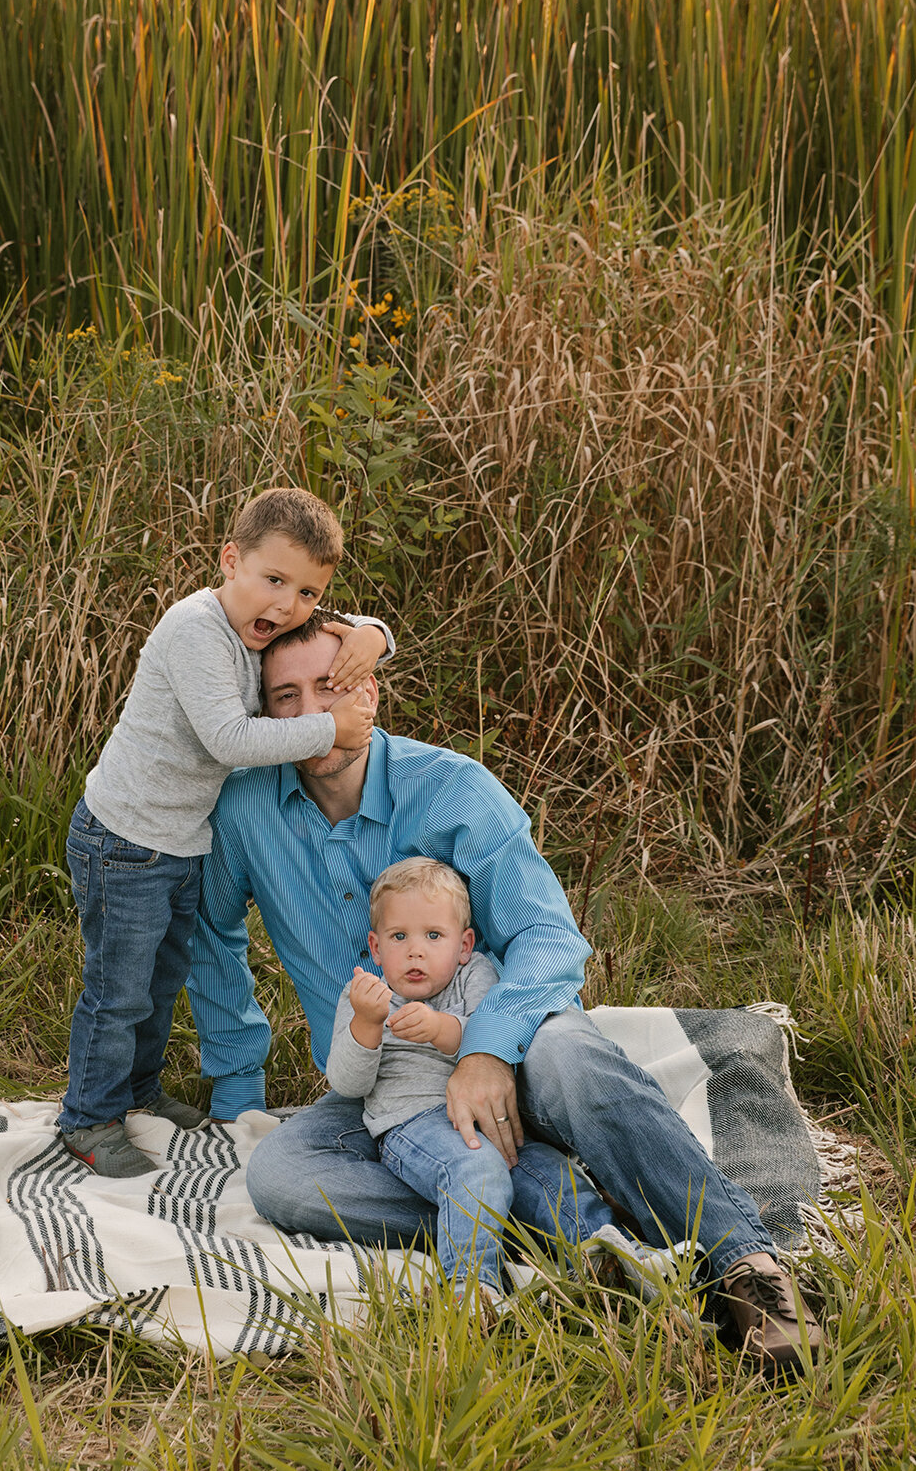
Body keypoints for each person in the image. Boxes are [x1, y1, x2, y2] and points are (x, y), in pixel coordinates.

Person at [188, 609, 824, 1371]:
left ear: (369, 693)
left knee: (573, 1058)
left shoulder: (452, 787)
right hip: (389, 1090)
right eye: (284, 698)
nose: (309, 714)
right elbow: (212, 936)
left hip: (512, 1042)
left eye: (330, 687)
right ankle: (570, 1221)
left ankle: (745, 1264)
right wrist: (235, 1084)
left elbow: (548, 938)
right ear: (263, 716)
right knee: (281, 1177)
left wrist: (486, 1050)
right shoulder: (246, 808)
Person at [56, 488, 394, 1179]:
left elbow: (346, 626)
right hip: (123, 839)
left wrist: (375, 634)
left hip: (178, 840)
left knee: (162, 977)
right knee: (119, 987)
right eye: (273, 581)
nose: (287, 607)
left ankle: (137, 1092)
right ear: (230, 560)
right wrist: (331, 726)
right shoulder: (196, 630)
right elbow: (229, 737)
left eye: (307, 591)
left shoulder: (263, 624)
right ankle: (87, 1115)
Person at [326, 856, 624, 1306]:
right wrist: (367, 1026)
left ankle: (607, 1253)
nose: (415, 950)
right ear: (375, 947)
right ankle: (469, 1286)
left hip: (491, 1118)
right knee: (476, 1167)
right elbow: (348, 1084)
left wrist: (443, 1029)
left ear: (464, 945)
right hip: (412, 1123)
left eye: (433, 935)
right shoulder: (364, 998)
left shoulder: (475, 975)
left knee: (549, 1174)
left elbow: (491, 1033)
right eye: (398, 937)